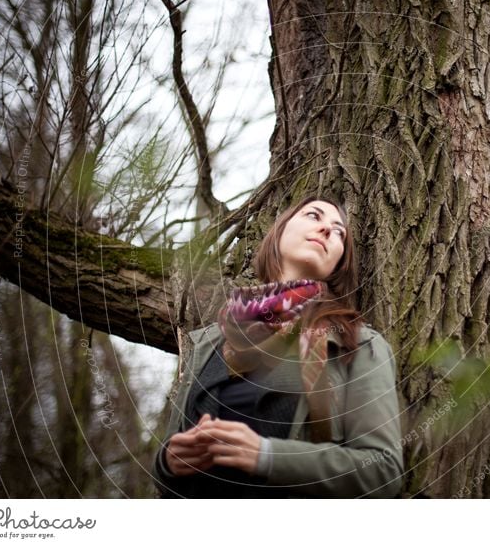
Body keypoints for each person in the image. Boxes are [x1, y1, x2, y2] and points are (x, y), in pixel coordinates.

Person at [152, 196, 404, 498]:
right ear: (279, 231)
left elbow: (383, 470)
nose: (327, 229)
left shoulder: (358, 344)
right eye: (314, 215)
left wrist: (267, 455)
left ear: (338, 262)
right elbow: (162, 471)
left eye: (339, 232)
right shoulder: (208, 343)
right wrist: (168, 463)